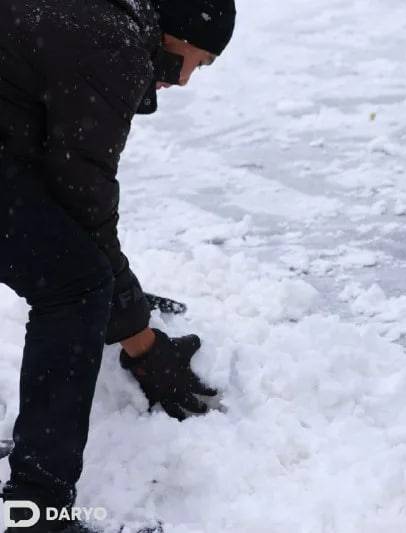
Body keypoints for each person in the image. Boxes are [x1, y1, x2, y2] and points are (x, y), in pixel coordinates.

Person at [0, 0, 235, 531]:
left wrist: (121, 304)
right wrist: (141, 342)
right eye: (203, 62)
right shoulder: (113, 45)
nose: (190, 80)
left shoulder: (95, 18)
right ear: (182, 36)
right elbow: (82, 204)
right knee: (76, 287)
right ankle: (39, 510)